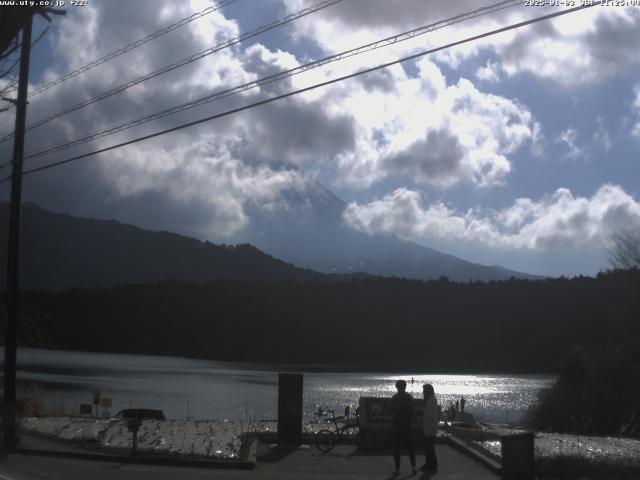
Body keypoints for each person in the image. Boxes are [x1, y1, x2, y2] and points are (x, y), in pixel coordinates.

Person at [390, 379, 416, 475]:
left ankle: (397, 469)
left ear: (397, 387)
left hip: (397, 424)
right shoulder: (409, 397)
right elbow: (412, 411)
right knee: (410, 447)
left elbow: (390, 410)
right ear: (405, 387)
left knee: (396, 447)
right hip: (407, 424)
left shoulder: (395, 397)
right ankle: (413, 467)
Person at [421, 384, 439, 475]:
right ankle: (428, 464)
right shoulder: (430, 400)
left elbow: (431, 418)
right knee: (427, 449)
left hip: (430, 430)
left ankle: (433, 466)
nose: (423, 392)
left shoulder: (431, 401)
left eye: (424, 390)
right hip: (428, 429)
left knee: (430, 449)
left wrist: (429, 431)